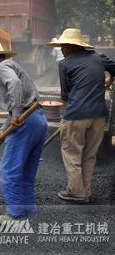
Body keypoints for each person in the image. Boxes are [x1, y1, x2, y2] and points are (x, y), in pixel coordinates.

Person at [0, 38, 47, 225]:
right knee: (27, 170)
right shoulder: (11, 65)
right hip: (37, 119)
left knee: (9, 171)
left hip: (26, 122)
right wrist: (3, 129)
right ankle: (26, 209)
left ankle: (14, 215)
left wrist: (16, 115)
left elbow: (15, 86)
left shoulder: (2, 68)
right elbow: (15, 110)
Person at [48, 28, 115, 203]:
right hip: (99, 116)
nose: (61, 49)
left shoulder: (64, 64)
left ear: (70, 46)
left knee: (72, 154)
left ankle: (77, 193)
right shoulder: (97, 57)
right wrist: (110, 80)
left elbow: (65, 97)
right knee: (89, 155)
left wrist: (66, 119)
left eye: (63, 46)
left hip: (76, 115)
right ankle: (85, 192)